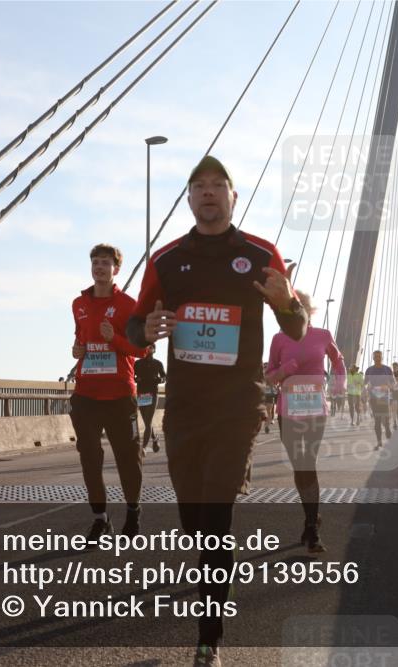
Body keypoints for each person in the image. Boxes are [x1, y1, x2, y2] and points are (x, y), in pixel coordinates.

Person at [127, 155, 306, 667]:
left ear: (233, 197)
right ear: (188, 198)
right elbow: (135, 329)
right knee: (194, 518)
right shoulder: (165, 260)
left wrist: (286, 303)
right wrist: (149, 331)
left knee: (216, 513)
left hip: (237, 406)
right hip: (184, 407)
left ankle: (210, 635)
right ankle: (210, 586)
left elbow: (294, 328)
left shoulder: (260, 252)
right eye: (198, 186)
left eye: (217, 186)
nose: (208, 193)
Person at [70, 243, 149, 541]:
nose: (99, 267)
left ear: (116, 269)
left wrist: (114, 338)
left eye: (105, 263)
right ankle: (100, 519)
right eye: (95, 262)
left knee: (128, 458)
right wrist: (76, 350)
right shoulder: (78, 304)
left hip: (119, 396)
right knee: (89, 458)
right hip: (86, 395)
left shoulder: (129, 305)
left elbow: (143, 350)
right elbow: (80, 340)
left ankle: (133, 509)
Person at [266, 290, 345, 553]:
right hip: (287, 409)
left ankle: (312, 528)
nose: (295, 310)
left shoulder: (323, 335)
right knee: (298, 467)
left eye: (299, 306)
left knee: (306, 464)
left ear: (309, 311)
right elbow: (269, 377)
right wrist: (283, 371)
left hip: (314, 409)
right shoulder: (278, 338)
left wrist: (339, 383)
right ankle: (312, 516)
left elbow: (338, 359)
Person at [133, 344, 166, 453]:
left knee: (148, 423)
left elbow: (164, 377)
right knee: (147, 421)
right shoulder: (137, 363)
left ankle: (144, 448)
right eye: (146, 347)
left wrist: (159, 380)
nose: (148, 348)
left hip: (153, 394)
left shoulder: (158, 363)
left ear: (154, 350)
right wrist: (136, 379)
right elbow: (132, 376)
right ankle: (155, 437)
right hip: (142, 394)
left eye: (151, 347)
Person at [364, 350, 395, 449]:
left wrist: (387, 386)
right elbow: (364, 383)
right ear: (373, 358)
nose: (377, 358)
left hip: (384, 397)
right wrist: (366, 388)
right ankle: (379, 442)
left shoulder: (387, 369)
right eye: (375, 356)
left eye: (379, 356)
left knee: (386, 419)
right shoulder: (369, 370)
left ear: (382, 358)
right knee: (377, 420)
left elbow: (393, 383)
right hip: (373, 398)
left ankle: (387, 429)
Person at [261, 363, 278, 433]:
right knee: (267, 411)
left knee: (268, 411)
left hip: (269, 395)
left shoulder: (268, 376)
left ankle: (266, 425)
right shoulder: (263, 376)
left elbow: (274, 386)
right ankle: (266, 425)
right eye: (265, 367)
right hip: (265, 395)